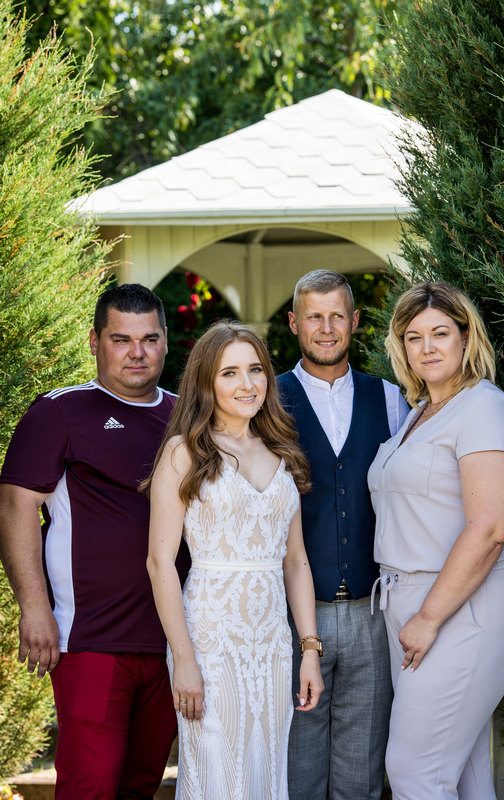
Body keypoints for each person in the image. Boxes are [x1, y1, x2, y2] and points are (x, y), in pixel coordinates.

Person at [0, 283, 190, 800]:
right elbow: (16, 506)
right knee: (90, 786)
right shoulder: (60, 412)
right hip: (91, 639)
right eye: (121, 339)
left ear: (165, 341)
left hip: (173, 641)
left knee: (141, 785)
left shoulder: (186, 417)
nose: (137, 352)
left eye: (149, 339)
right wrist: (34, 608)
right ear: (94, 341)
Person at [368, 281, 504, 800]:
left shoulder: (484, 408)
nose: (427, 347)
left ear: (466, 337)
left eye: (440, 333)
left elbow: (490, 528)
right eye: (414, 337)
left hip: (465, 602)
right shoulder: (419, 412)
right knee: (462, 773)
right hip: (411, 600)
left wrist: (429, 616)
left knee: (415, 770)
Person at [145, 321, 324, 800]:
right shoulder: (184, 452)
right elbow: (160, 563)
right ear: (206, 382)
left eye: (255, 370)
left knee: (267, 769)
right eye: (230, 373)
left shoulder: (282, 451)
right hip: (209, 640)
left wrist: (309, 650)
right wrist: (184, 659)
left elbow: (295, 562)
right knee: (216, 772)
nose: (247, 384)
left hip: (271, 643)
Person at [277, 270, 409, 800]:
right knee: (298, 771)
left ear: (354, 322)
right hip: (291, 615)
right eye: (314, 316)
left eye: (337, 316)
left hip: (372, 612)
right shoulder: (267, 399)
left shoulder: (392, 400)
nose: (326, 328)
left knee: (362, 773)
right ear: (294, 323)